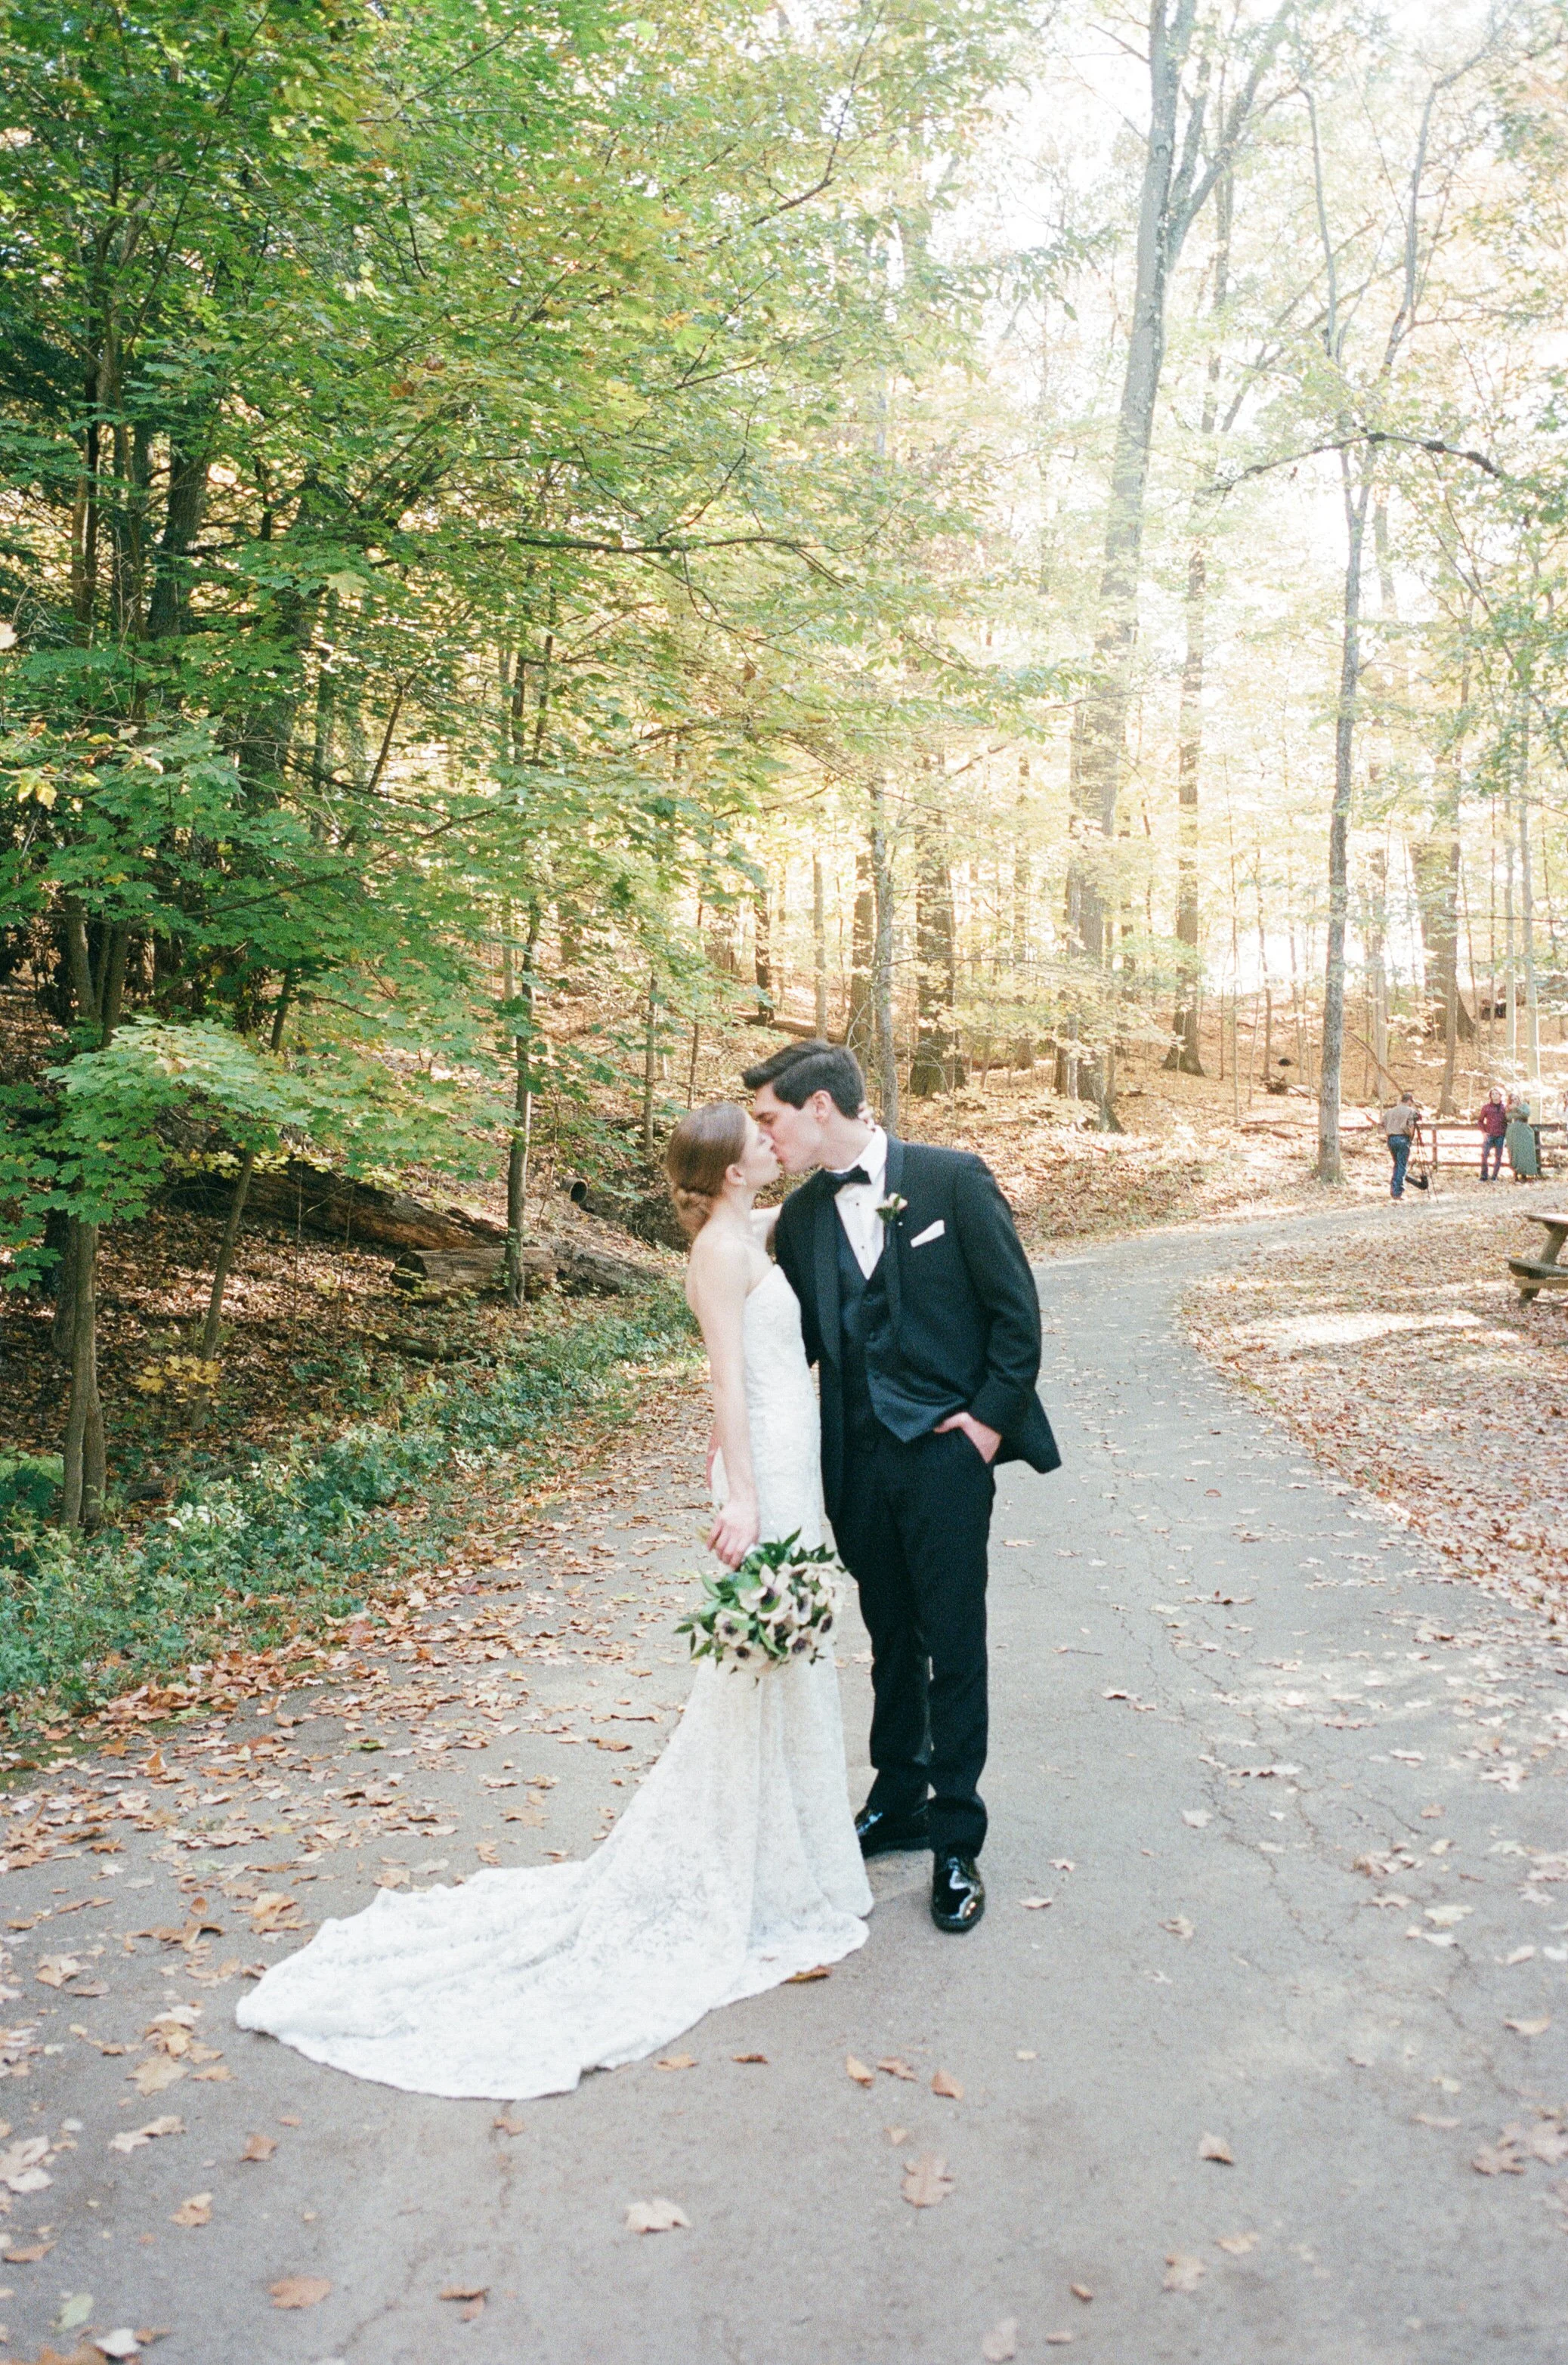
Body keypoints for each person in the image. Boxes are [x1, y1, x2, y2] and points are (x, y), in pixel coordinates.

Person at [236, 1102, 871, 2099]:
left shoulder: (746, 1232)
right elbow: (722, 1382)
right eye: (752, 1134)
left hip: (792, 1453)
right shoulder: (715, 1247)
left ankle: (785, 1864)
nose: (768, 1138)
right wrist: (741, 1490)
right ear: (726, 1167)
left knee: (788, 1662)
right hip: (768, 1473)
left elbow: (768, 1364)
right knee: (754, 1668)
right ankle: (741, 1873)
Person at [744, 1037, 1059, 1937]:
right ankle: (898, 1796)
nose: (765, 1138)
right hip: (854, 1464)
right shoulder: (802, 1218)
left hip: (944, 1457)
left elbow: (1015, 1314)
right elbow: (791, 1341)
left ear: (817, 1109)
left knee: (952, 1641)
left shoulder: (951, 1180)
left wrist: (987, 1426)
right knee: (888, 1636)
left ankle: (957, 1837)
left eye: (770, 1118)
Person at [1381, 1090, 1418, 1200]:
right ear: (1409, 1101)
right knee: (1402, 1165)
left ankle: (1393, 1188)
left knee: (1397, 1164)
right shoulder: (1410, 1111)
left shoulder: (1390, 1111)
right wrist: (1411, 1138)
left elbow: (1381, 1125)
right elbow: (1411, 1128)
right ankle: (1398, 1192)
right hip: (1403, 1138)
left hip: (1391, 1139)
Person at [1505, 1093, 1539, 1182]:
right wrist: (1511, 1111)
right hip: (1513, 1132)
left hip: (1524, 1131)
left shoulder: (1524, 1106)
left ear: (1519, 1099)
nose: (1514, 1101)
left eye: (1515, 1099)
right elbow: (1508, 1118)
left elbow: (1526, 1114)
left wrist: (1516, 1109)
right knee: (1514, 1152)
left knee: (1524, 1152)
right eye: (1512, 1100)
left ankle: (1524, 1174)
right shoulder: (1509, 1108)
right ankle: (1516, 1173)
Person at [1478, 1087, 1507, 1181]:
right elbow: (1480, 1121)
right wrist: (1483, 1132)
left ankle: (1494, 1176)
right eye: (1493, 1094)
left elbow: (1508, 1121)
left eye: (1496, 1093)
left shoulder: (1505, 1108)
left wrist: (1506, 1134)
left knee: (1498, 1156)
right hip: (1489, 1135)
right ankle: (1484, 1176)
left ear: (1500, 1095)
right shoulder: (1486, 1108)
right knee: (1485, 1155)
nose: (1494, 1096)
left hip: (1500, 1135)